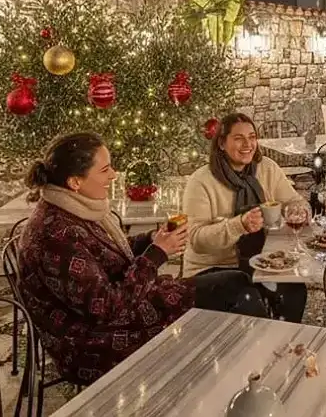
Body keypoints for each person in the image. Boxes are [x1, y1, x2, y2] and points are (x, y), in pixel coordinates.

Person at [16, 132, 267, 386]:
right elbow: (106, 307)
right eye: (104, 170)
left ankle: (242, 375)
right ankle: (249, 379)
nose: (113, 175)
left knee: (237, 282)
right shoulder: (55, 235)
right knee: (238, 294)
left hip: (133, 308)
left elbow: (106, 253)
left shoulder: (73, 208)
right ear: (75, 182)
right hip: (98, 344)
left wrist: (151, 239)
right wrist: (157, 253)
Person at [182, 112, 309, 323]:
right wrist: (238, 225)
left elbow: (294, 201)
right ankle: (259, 341)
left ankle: (281, 339)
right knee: (248, 298)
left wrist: (300, 210)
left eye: (252, 137)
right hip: (212, 268)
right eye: (238, 138)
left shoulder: (267, 168)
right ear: (221, 143)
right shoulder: (201, 181)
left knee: (294, 292)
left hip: (261, 262)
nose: (247, 144)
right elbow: (196, 240)